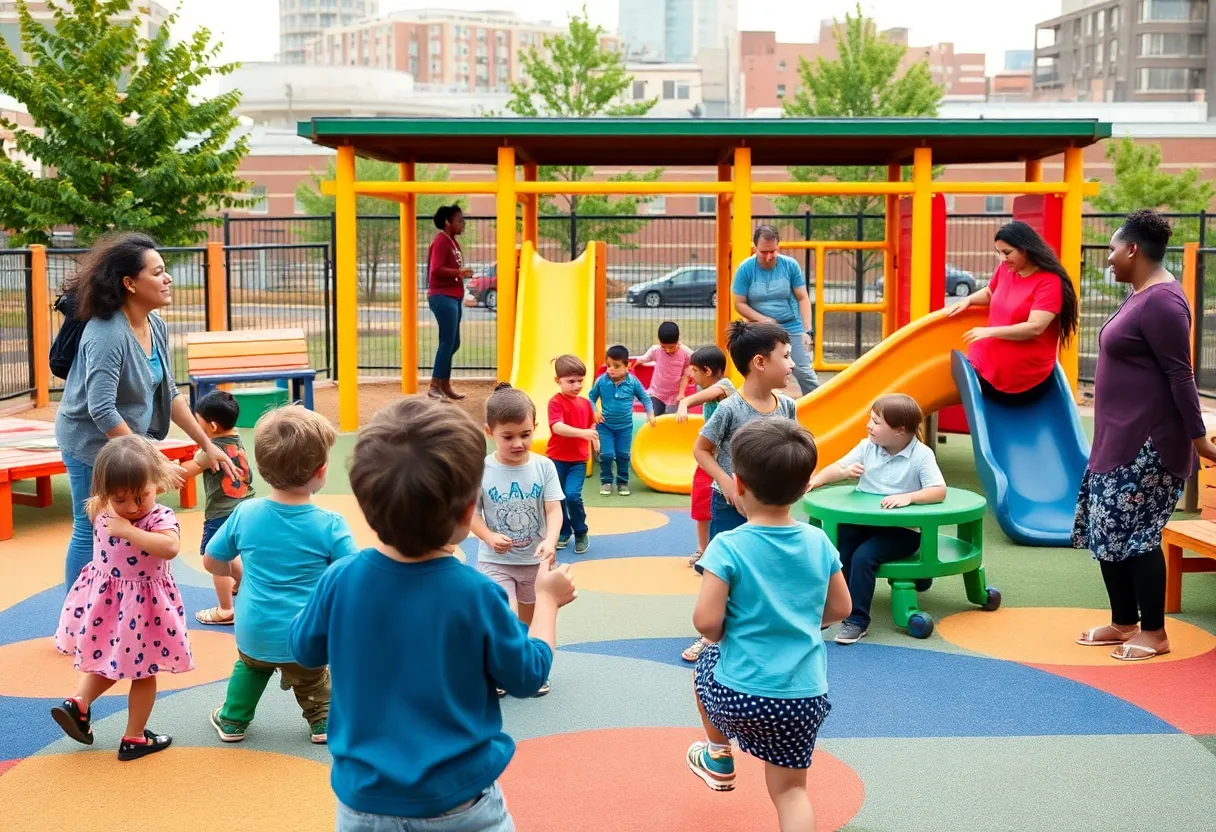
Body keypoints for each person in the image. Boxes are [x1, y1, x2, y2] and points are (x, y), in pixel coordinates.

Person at [288, 397, 577, 832]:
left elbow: (304, 649)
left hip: (363, 802)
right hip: (459, 802)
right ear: (467, 512)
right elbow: (527, 675)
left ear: (366, 508)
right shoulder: (475, 594)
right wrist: (548, 602)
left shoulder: (341, 579)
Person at [686, 418, 851, 832]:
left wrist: (729, 634)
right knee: (791, 792)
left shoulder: (728, 545)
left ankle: (718, 754)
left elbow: (706, 623)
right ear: (804, 485)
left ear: (738, 484)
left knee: (706, 662)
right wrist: (803, 622)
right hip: (801, 699)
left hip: (739, 694)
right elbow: (841, 608)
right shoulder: (818, 542)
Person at [54, 232, 236, 591]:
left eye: (165, 270)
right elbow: (102, 409)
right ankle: (76, 620)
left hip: (127, 439)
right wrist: (152, 460)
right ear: (129, 283)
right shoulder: (107, 333)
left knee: (130, 521)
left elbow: (168, 391)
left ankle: (113, 606)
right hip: (88, 440)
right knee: (90, 525)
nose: (167, 278)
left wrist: (207, 443)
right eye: (157, 272)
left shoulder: (155, 325)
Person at [1073, 209, 1216, 662]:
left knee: (1137, 537)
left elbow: (1181, 377)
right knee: (1108, 530)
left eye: (1113, 250)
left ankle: (1154, 633)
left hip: (1148, 444)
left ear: (1132, 249)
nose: (1109, 260)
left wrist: (1200, 442)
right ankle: (1123, 622)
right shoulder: (1141, 296)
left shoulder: (1162, 303)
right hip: (1116, 439)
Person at [204, 406, 359, 744]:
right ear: (321, 471)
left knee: (250, 668)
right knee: (314, 677)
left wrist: (238, 573)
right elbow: (352, 576)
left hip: (255, 630)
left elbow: (212, 561)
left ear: (260, 468)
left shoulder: (245, 513)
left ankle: (233, 720)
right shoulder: (330, 524)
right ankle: (322, 722)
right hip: (308, 633)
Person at [51, 435, 191, 761]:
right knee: (144, 673)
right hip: (142, 610)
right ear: (104, 493)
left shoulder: (107, 509)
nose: (131, 508)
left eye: (141, 497)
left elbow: (169, 545)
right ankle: (135, 737)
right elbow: (169, 548)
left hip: (107, 607)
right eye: (121, 499)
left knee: (109, 660)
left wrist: (127, 527)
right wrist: (130, 530)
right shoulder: (146, 516)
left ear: (156, 483)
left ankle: (79, 704)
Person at [682, 322, 797, 664]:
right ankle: (710, 635)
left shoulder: (787, 407)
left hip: (772, 508)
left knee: (767, 568)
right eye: (786, 356)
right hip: (730, 504)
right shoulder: (731, 408)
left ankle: (761, 628)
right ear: (760, 362)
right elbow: (702, 449)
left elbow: (790, 449)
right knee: (725, 570)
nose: (792, 364)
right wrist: (728, 481)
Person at [807, 394, 946, 645]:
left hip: (900, 530)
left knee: (863, 557)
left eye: (876, 422)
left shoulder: (921, 455)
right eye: (870, 420)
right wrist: (819, 479)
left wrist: (909, 497)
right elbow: (838, 468)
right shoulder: (867, 447)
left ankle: (857, 620)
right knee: (840, 547)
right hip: (863, 522)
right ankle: (835, 607)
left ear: (899, 431)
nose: (869, 426)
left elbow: (938, 490)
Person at [471, 383, 564, 697]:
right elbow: (471, 515)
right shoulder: (482, 470)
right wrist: (488, 535)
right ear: (489, 432)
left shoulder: (544, 466)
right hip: (495, 561)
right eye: (507, 436)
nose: (518, 443)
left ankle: (526, 668)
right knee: (505, 616)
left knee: (529, 621)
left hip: (535, 563)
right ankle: (499, 670)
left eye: (525, 434)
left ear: (534, 428)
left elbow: (553, 510)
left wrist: (551, 541)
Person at [947, 220, 1080, 406]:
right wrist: (968, 300)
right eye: (999, 253)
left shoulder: (1049, 282)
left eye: (1007, 253)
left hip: (1023, 383)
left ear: (1026, 250)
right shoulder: (1007, 269)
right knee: (952, 366)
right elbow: (990, 292)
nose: (1002, 259)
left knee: (958, 372)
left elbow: (1035, 327)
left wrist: (990, 332)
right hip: (988, 367)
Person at [181, 391, 255, 626]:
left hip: (222, 513)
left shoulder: (210, 449)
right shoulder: (236, 438)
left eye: (197, 422)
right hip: (246, 506)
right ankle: (243, 584)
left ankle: (225, 610)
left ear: (212, 426)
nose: (195, 426)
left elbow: (186, 472)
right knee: (230, 553)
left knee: (216, 559)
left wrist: (162, 470)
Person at [731, 225, 819, 396]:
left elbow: (803, 297)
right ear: (755, 247)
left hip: (790, 325)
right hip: (760, 329)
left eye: (773, 251)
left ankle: (819, 407)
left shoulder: (789, 265)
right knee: (761, 371)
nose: (769, 256)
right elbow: (739, 304)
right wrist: (764, 320)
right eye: (764, 252)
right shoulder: (746, 269)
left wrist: (807, 331)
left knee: (804, 371)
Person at [676, 345, 736, 566]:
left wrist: (684, 403)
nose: (691, 375)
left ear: (708, 371)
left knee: (730, 503)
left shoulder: (725, 386)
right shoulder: (712, 389)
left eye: (694, 370)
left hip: (728, 461)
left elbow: (711, 394)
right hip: (709, 459)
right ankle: (703, 549)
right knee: (701, 503)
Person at [547, 354, 598, 554]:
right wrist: (583, 433)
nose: (577, 385)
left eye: (580, 381)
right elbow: (557, 427)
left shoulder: (585, 404)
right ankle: (563, 530)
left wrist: (594, 439)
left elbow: (590, 426)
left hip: (578, 460)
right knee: (557, 498)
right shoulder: (555, 403)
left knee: (572, 495)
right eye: (571, 381)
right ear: (557, 381)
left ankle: (580, 531)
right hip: (557, 459)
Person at [588, 344, 655, 497]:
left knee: (623, 455)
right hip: (605, 426)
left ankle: (622, 482)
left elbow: (645, 398)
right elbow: (591, 398)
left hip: (624, 427)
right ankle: (606, 481)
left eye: (616, 366)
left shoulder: (632, 382)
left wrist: (650, 413)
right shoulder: (601, 381)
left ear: (627, 365)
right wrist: (595, 411)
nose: (611, 369)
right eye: (608, 365)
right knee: (607, 455)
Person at [427, 204, 473, 401]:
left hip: (453, 296)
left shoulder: (452, 242)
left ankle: (444, 384)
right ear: (447, 222)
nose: (463, 224)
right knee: (447, 342)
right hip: (442, 296)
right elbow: (436, 269)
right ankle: (434, 385)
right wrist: (459, 272)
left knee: (454, 342)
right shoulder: (441, 242)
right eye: (459, 220)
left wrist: (460, 274)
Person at [635, 321, 694, 416]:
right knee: (652, 416)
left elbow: (685, 374)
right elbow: (642, 359)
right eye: (663, 346)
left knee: (675, 419)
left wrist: (681, 394)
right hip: (656, 393)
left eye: (671, 347)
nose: (667, 350)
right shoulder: (656, 350)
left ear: (678, 340)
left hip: (675, 395)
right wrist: (630, 366)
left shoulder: (685, 353)